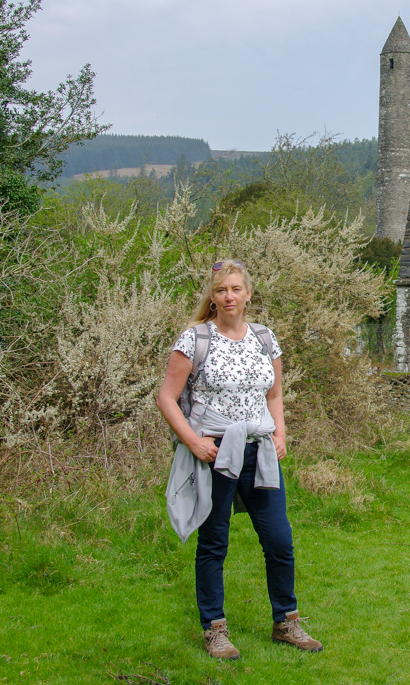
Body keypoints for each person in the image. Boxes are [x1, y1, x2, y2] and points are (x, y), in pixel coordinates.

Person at [156, 259, 322, 660]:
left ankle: (286, 621)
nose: (228, 296)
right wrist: (194, 442)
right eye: (220, 290)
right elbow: (166, 397)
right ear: (212, 298)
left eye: (235, 289)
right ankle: (214, 629)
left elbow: (274, 395)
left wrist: (280, 433)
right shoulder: (194, 340)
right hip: (214, 453)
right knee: (214, 543)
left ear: (248, 294)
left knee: (279, 540)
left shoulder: (265, 338)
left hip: (260, 452)